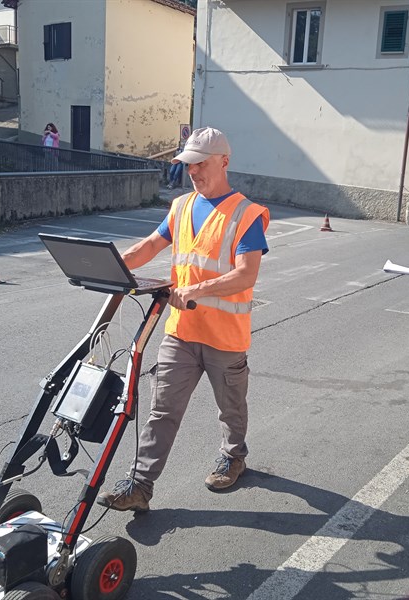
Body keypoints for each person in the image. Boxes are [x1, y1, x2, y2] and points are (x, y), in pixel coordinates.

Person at [97, 127, 270, 511]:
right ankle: (140, 485)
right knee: (162, 411)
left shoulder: (246, 214)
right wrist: (111, 266)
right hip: (182, 332)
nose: (193, 171)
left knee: (231, 408)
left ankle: (233, 456)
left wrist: (196, 290)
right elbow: (150, 245)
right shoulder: (181, 206)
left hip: (225, 336)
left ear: (224, 162)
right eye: (188, 164)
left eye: (200, 164)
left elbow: (246, 274)